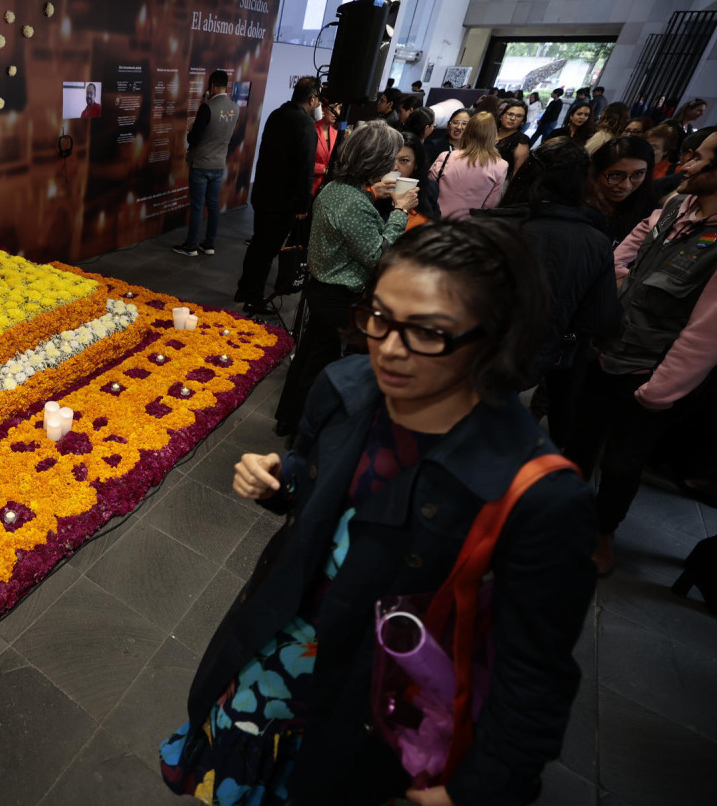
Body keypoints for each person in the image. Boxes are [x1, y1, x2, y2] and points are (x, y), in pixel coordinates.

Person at [162, 218, 596, 806]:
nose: (389, 349)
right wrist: (280, 483)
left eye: (428, 332)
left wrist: (480, 788)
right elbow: (320, 488)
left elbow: (535, 675)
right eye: (381, 318)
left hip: (376, 705)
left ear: (495, 339)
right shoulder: (345, 385)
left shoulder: (540, 495)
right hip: (275, 656)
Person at [565, 130, 717, 574]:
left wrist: (658, 390)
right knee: (580, 441)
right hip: (606, 350)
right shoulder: (672, 208)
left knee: (622, 464)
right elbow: (617, 256)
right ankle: (562, 515)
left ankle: (602, 532)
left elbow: (705, 334)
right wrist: (620, 287)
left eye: (700, 160)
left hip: (650, 372)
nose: (685, 166)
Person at [272, 121, 418, 437]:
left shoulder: (335, 188)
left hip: (321, 290)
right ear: (376, 160)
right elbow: (381, 256)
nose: (395, 165)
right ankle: (308, 430)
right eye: (392, 158)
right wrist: (400, 212)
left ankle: (290, 418)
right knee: (325, 366)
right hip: (340, 298)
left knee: (310, 356)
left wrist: (371, 192)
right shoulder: (354, 203)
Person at [472, 139, 620, 445]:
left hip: (471, 348)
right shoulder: (595, 242)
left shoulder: (494, 226)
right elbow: (597, 319)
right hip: (534, 357)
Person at [235, 77, 319, 309]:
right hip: (284, 202)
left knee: (258, 245)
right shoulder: (305, 125)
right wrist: (304, 205)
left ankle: (245, 290)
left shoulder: (276, 115)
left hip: (263, 194)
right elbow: (305, 169)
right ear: (312, 99)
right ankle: (253, 298)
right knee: (267, 250)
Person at [177, 70, 239, 256]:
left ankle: (191, 245)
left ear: (211, 85)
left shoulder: (207, 107)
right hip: (219, 164)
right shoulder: (234, 108)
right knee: (213, 205)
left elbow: (195, 139)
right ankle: (209, 244)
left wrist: (190, 130)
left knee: (197, 206)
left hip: (201, 164)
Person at [429, 112, 507, 219]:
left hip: (436, 219)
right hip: (468, 226)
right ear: (493, 135)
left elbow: (430, 189)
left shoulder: (446, 156)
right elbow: (490, 205)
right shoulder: (501, 166)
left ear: (468, 132)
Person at [587, 136, 656, 245]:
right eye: (616, 175)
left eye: (638, 174)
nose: (626, 186)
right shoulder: (576, 207)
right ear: (597, 173)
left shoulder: (650, 212)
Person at [312, 92, 343, 195]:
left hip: (326, 189)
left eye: (339, 108)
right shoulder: (311, 130)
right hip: (308, 187)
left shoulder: (336, 134)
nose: (336, 112)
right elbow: (301, 161)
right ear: (322, 108)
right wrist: (324, 169)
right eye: (333, 107)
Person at [495, 98, 531, 178]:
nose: (513, 118)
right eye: (510, 114)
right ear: (502, 116)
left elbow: (517, 173)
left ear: (523, 120)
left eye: (519, 116)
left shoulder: (520, 141)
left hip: (500, 182)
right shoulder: (491, 131)